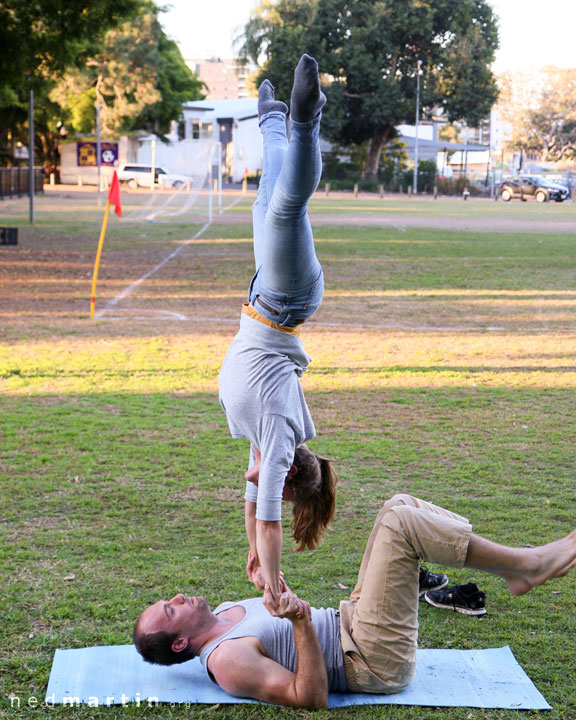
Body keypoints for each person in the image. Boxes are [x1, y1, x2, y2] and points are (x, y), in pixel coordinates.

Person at [133, 493, 576, 708]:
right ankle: (526, 566)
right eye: (171, 609)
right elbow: (308, 698)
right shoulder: (227, 661)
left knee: (397, 505)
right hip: (370, 659)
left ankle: (507, 568)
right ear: (178, 643)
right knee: (401, 524)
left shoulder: (228, 613)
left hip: (354, 620)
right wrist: (302, 622)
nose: (177, 597)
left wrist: (272, 583)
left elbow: (279, 616)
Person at [218, 54, 335, 602]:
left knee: (269, 192)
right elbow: (267, 520)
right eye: (269, 488)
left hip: (262, 295)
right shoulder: (280, 445)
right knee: (287, 206)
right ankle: (307, 118)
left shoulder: (263, 449)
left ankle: (272, 116)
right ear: (286, 480)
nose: (252, 480)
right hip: (285, 300)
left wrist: (252, 559)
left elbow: (250, 513)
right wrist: (270, 576)